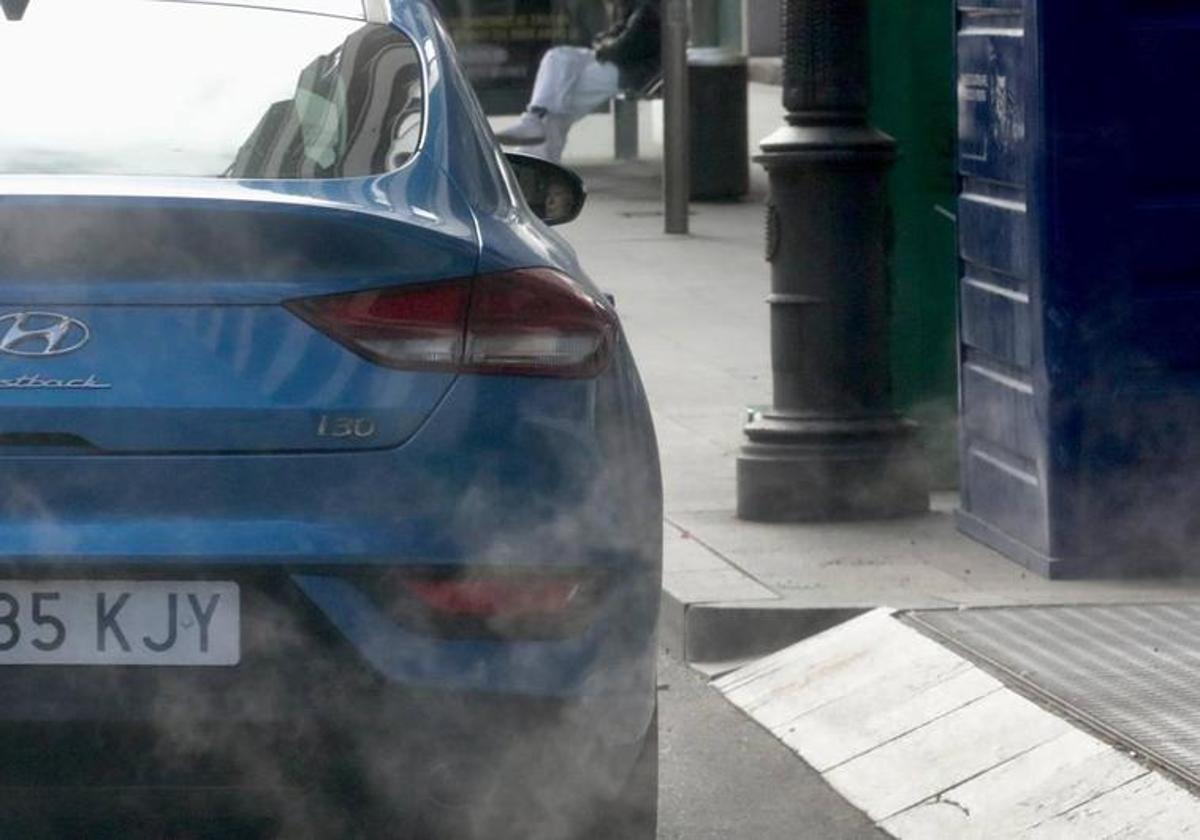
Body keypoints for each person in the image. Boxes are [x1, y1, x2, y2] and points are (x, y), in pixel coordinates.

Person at [494, 0, 660, 163]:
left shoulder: (647, 9)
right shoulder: (632, 7)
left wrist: (605, 46)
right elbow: (604, 38)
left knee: (564, 94)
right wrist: (606, 45)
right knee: (558, 57)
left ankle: (535, 147)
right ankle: (534, 121)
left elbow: (623, 48)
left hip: (631, 73)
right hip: (614, 62)